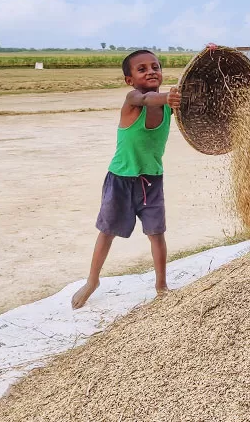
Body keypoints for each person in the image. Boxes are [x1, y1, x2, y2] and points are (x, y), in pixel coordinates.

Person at [71, 50, 181, 309]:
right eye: (141, 69)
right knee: (107, 232)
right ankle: (92, 281)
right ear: (129, 80)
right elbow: (146, 98)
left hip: (152, 180)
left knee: (157, 233)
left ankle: (161, 286)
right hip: (121, 180)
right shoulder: (133, 99)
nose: (151, 71)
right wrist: (167, 97)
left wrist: (209, 54)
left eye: (155, 66)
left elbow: (194, 90)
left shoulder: (169, 107)